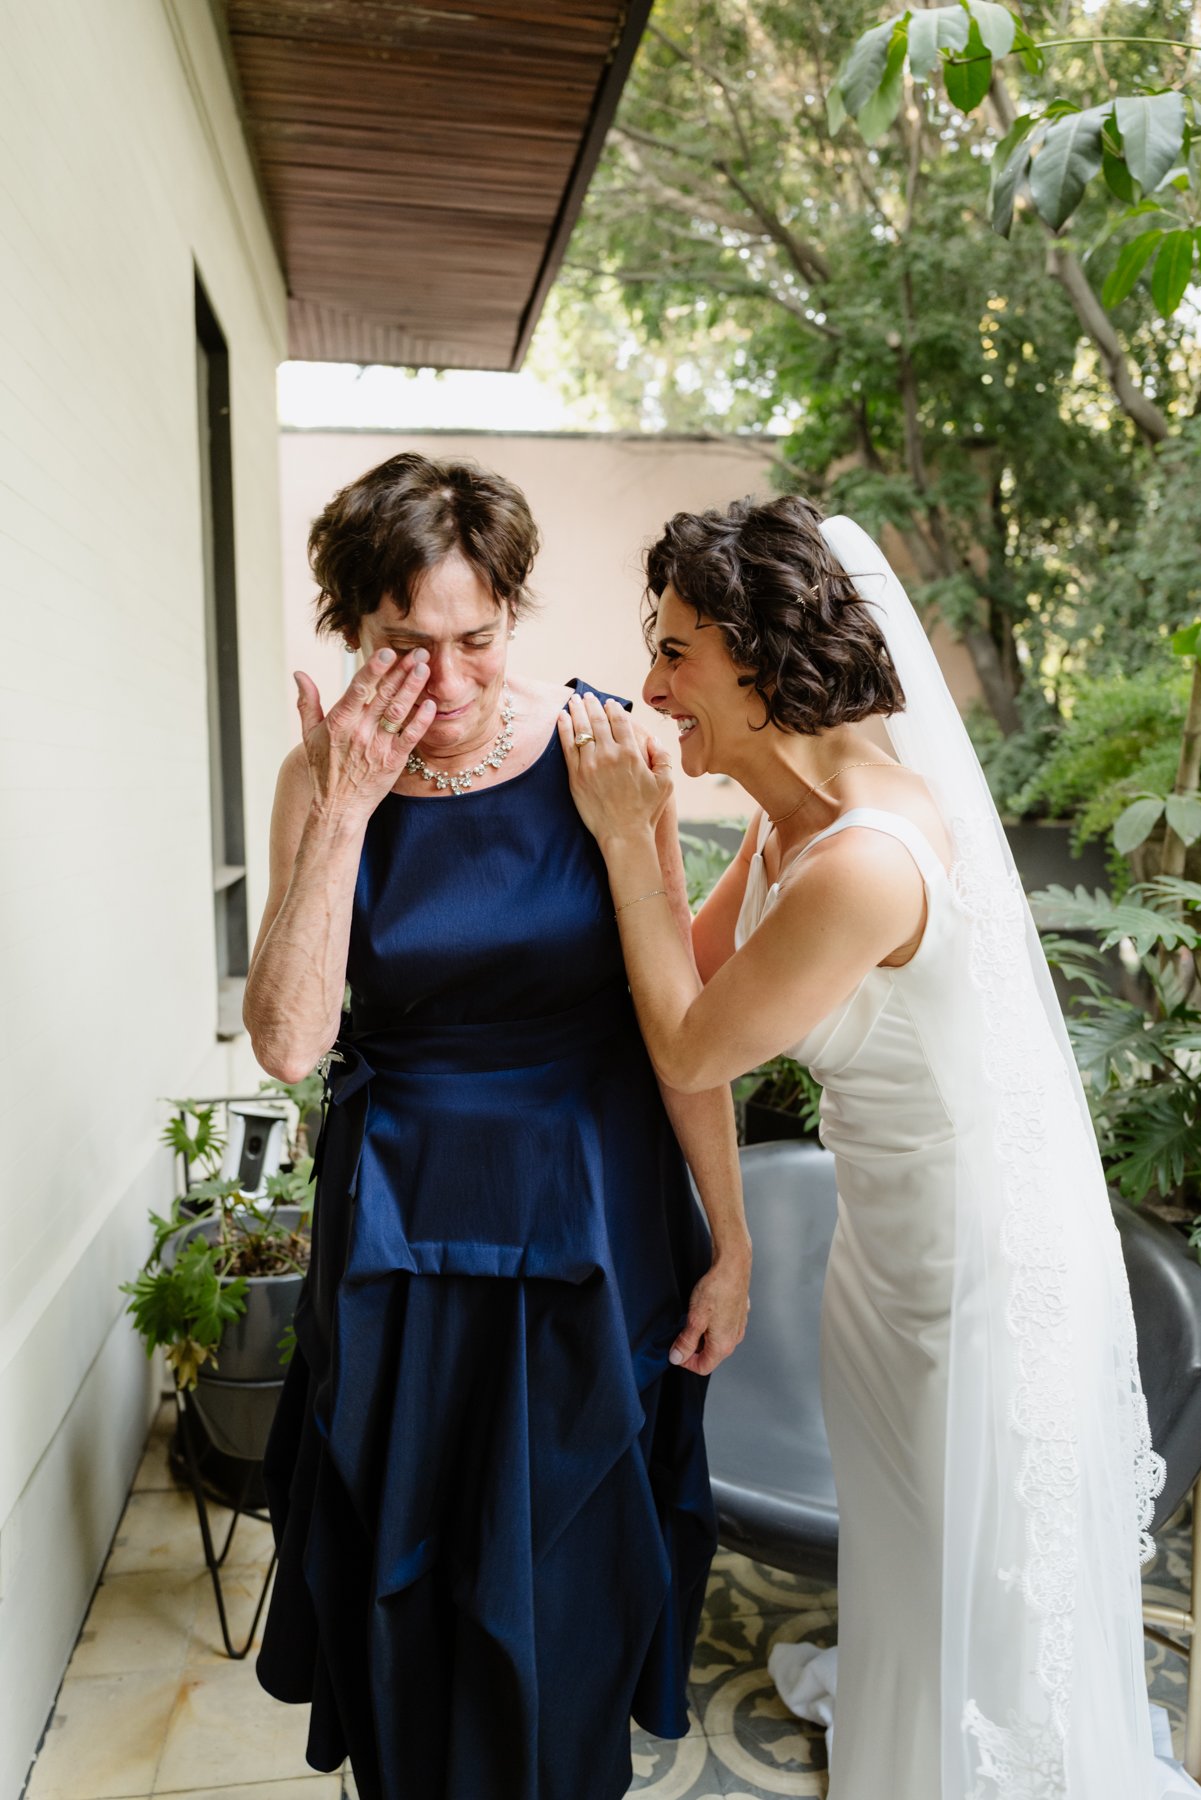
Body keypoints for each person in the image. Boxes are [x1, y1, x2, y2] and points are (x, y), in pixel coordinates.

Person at [558, 493, 1198, 1799]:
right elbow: (684, 972)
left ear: (758, 655)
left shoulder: (865, 860)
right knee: (909, 1554)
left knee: (986, 1579)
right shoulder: (788, 819)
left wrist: (629, 836)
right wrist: (639, 848)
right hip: (882, 1260)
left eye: (675, 652)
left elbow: (691, 1045)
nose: (652, 687)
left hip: (975, 1285)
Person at [243, 452, 750, 1800]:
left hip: (592, 1218)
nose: (448, 681)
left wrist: (731, 1240)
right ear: (350, 629)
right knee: (400, 1572)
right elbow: (289, 1041)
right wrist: (345, 807)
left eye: (476, 638)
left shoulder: (609, 753)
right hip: (401, 1233)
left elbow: (680, 1030)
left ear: (513, 614)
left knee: (569, 1571)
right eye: (405, 645)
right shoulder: (318, 779)